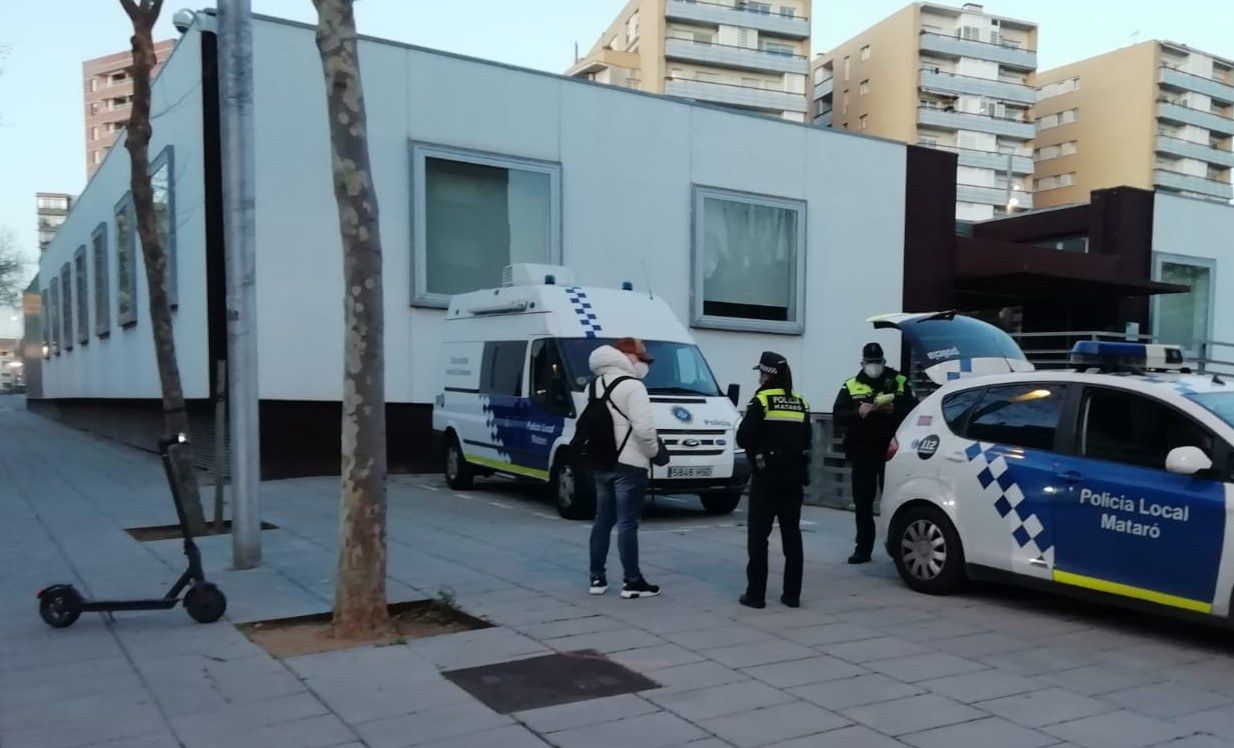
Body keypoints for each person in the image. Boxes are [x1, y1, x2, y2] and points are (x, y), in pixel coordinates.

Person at [588, 338, 663, 599]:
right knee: (628, 523)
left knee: (602, 521)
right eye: (643, 359)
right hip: (630, 464)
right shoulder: (634, 387)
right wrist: (655, 452)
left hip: (602, 460)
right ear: (628, 357)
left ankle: (596, 578)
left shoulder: (596, 383)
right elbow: (643, 430)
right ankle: (632, 582)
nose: (645, 365)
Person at [736, 351, 812, 609]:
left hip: (766, 479)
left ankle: (755, 595)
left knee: (759, 536)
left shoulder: (762, 400)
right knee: (792, 537)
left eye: (761, 372)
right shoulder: (801, 401)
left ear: (768, 374)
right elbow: (808, 440)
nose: (759, 377)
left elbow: (743, 436)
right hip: (793, 479)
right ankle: (792, 595)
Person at [832, 342, 916, 564]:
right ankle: (863, 548)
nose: (874, 366)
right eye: (870, 362)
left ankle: (897, 549)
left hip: (893, 451)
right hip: (863, 451)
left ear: (884, 362)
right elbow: (838, 415)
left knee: (895, 501)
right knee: (863, 502)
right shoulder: (851, 385)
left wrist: (893, 409)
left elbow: (914, 410)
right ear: (862, 363)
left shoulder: (899, 382)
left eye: (877, 362)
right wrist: (858, 412)